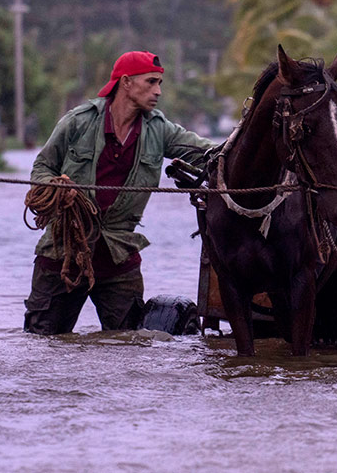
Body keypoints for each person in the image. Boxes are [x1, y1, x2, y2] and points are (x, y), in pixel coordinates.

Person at [24, 50, 214, 335]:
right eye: (151, 82)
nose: (158, 91)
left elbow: (209, 155)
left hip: (118, 258)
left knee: (128, 349)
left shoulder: (160, 130)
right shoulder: (78, 122)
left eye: (160, 83)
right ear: (126, 82)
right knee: (44, 345)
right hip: (63, 255)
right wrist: (56, 187)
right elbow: (41, 168)